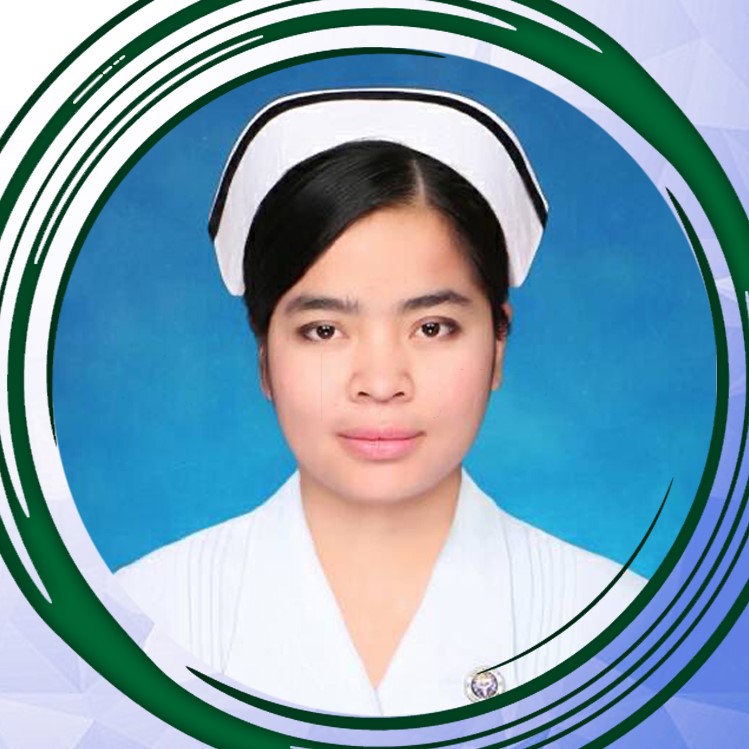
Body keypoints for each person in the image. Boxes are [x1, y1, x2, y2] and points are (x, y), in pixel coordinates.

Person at [116, 88, 646, 717]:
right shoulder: (140, 620)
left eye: (432, 327)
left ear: (498, 346)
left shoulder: (619, 626)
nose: (381, 381)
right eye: (324, 330)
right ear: (264, 356)